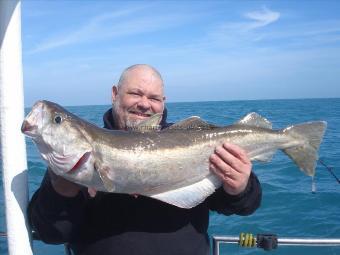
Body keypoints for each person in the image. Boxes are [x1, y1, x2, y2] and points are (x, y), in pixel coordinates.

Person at [28, 64, 262, 255]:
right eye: (135, 93)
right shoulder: (71, 160)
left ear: (163, 102)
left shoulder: (196, 143)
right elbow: (50, 234)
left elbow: (244, 206)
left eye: (154, 98)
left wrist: (240, 188)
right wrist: (62, 191)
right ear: (114, 94)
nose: (144, 103)